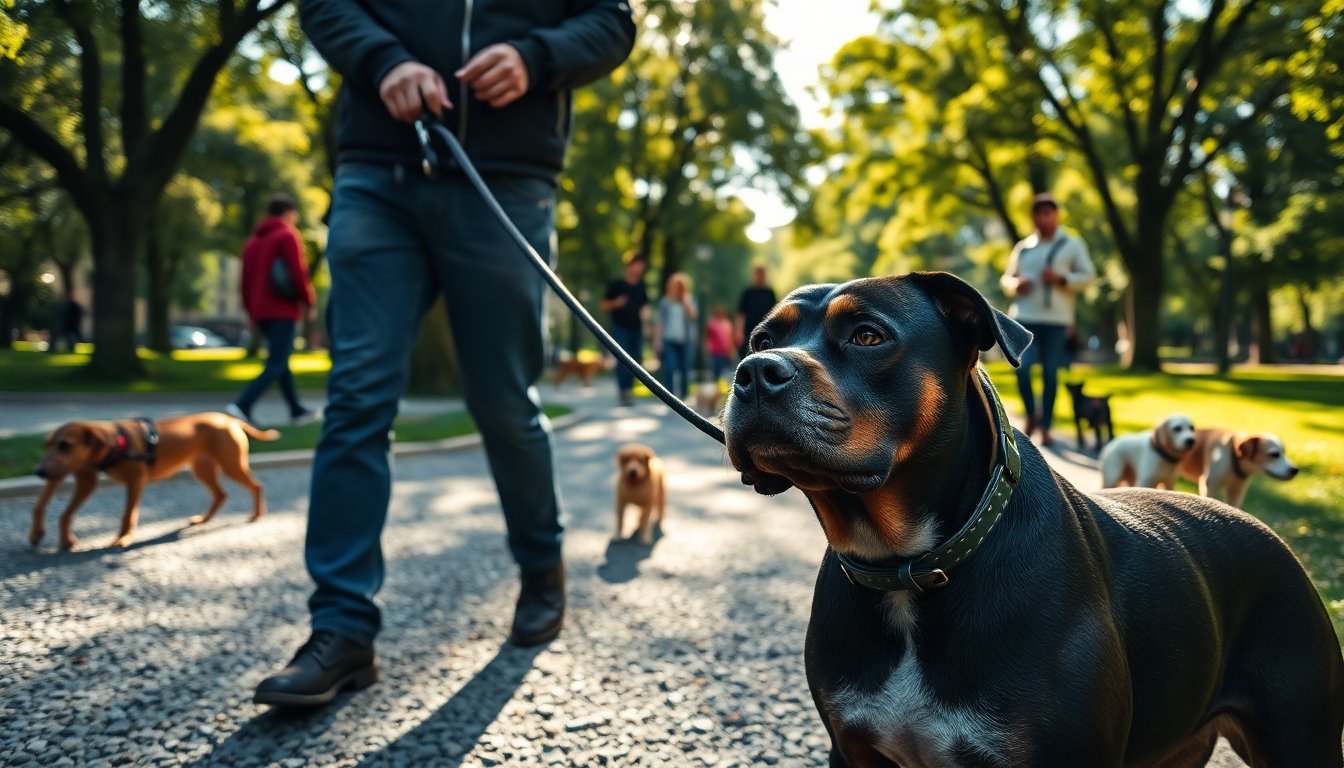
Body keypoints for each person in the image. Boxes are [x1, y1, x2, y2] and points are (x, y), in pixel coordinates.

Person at [251, 1, 636, 707]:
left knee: (505, 401)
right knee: (358, 396)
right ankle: (340, 629)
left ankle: (540, 564)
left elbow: (612, 20)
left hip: (507, 182)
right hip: (379, 172)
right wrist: (384, 60)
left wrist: (537, 56)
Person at [999, 192, 1097, 447]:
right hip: (1024, 318)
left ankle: (1046, 426)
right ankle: (1031, 415)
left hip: (1057, 319)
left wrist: (1063, 279)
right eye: (1039, 214)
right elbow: (1006, 279)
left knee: (1051, 373)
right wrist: (1015, 285)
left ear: (1056, 215)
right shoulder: (1024, 247)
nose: (1044, 219)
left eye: (1049, 214)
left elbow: (1088, 276)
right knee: (1021, 368)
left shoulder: (1072, 244)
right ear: (1033, 217)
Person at [227, 194, 318, 427]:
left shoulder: (252, 243)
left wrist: (250, 311)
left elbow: (244, 281)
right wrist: (309, 301)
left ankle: (296, 410)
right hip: (282, 309)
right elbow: (298, 272)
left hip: (260, 311)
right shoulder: (287, 235)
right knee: (277, 362)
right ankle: (242, 405)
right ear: (288, 213)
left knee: (281, 360)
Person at [600, 252, 650, 406]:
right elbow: (604, 305)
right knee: (623, 359)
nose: (639, 268)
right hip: (620, 327)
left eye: (642, 265)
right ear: (629, 265)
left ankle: (628, 389)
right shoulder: (617, 285)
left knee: (636, 359)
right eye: (637, 264)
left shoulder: (641, 286)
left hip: (636, 328)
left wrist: (646, 315)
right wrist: (616, 303)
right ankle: (624, 391)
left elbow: (645, 305)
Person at [654, 272, 697, 400]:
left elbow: (694, 316)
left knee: (685, 367)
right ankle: (669, 395)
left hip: (685, 340)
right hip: (669, 339)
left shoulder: (688, 299)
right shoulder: (665, 302)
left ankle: (684, 395)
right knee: (670, 366)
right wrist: (657, 340)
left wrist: (685, 302)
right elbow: (660, 322)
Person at [735, 264, 777, 358]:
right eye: (759, 274)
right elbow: (741, 313)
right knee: (747, 356)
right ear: (755, 275)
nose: (761, 276)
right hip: (749, 330)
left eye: (762, 274)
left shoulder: (769, 292)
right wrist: (739, 331)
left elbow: (775, 312)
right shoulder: (748, 292)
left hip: (765, 329)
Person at [704, 304, 734, 383]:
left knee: (724, 374)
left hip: (724, 353)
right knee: (715, 374)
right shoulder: (711, 323)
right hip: (714, 353)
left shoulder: (727, 324)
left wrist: (730, 352)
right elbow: (707, 337)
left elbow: (729, 338)